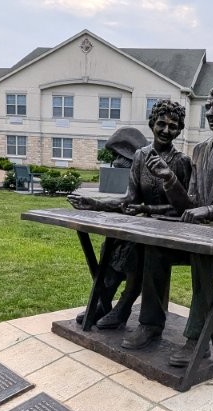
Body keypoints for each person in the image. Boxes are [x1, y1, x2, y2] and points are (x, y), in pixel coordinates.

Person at [121, 83, 213, 366]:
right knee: (155, 250)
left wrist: (210, 210)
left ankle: (196, 340)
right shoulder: (200, 151)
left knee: (203, 260)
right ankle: (150, 325)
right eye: (208, 108)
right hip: (200, 237)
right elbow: (188, 206)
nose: (210, 113)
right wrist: (169, 180)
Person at [68, 100, 191, 329]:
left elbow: (183, 208)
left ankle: (123, 308)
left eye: (172, 126)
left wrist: (148, 210)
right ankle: (103, 302)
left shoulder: (181, 162)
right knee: (113, 243)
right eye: (161, 124)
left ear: (179, 130)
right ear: (152, 124)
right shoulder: (141, 156)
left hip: (171, 229)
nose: (166, 130)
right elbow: (129, 200)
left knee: (137, 250)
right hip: (144, 225)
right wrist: (94, 202)